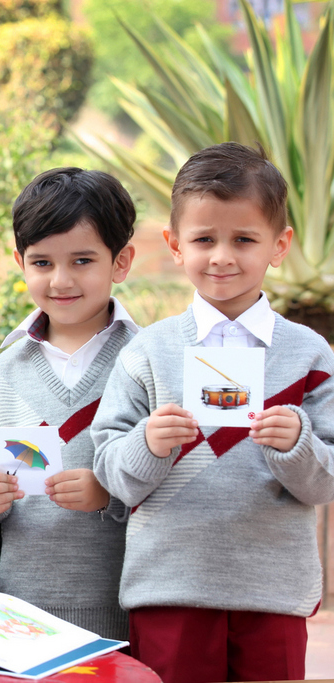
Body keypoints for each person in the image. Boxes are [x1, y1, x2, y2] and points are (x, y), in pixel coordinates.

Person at [91, 142, 334, 683]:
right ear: (175, 246)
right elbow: (108, 469)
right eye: (204, 239)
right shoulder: (147, 352)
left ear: (280, 244)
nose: (222, 255)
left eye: (244, 239)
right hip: (169, 587)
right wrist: (148, 444)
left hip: (273, 591)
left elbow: (326, 482)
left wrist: (298, 445)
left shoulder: (310, 354)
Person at [0, 168, 136, 641]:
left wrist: (109, 494)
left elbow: (170, 478)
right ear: (20, 261)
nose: (60, 280)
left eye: (82, 260)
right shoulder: (5, 371)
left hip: (122, 609)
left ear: (121, 262)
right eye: (41, 263)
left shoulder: (146, 361)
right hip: (23, 614)